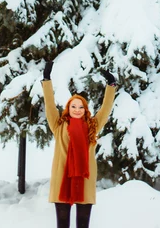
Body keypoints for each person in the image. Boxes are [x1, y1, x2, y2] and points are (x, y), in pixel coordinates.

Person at [42, 61, 117, 228]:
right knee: (62, 224)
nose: (77, 109)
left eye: (81, 107)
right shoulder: (58, 125)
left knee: (83, 224)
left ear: (85, 110)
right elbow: (50, 105)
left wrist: (111, 85)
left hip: (85, 180)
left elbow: (105, 109)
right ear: (68, 108)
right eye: (73, 106)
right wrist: (46, 79)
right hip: (62, 179)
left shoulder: (92, 126)